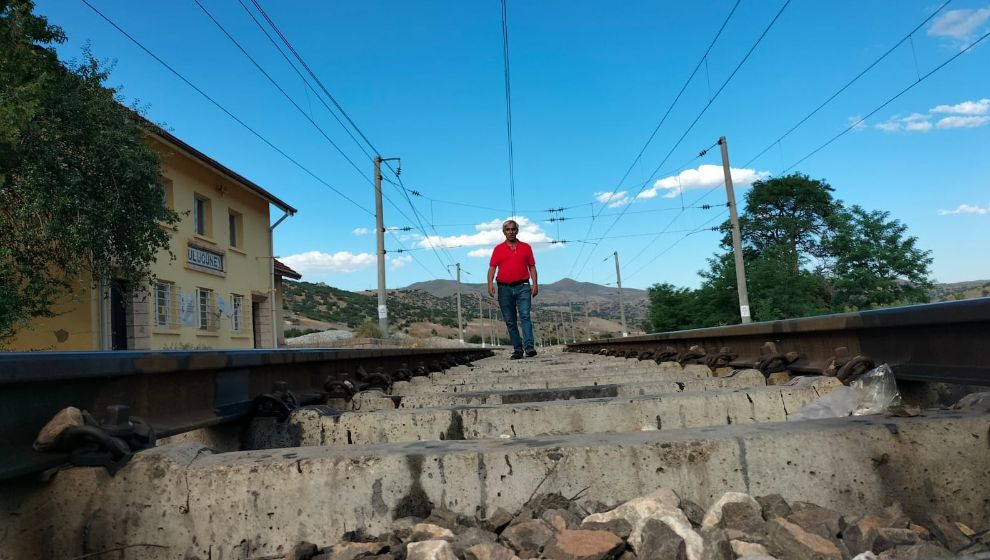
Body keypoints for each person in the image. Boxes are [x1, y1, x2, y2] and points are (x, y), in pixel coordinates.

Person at [487, 219, 538, 359]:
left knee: (525, 316)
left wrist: (535, 284)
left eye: (513, 229)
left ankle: (529, 347)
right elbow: (492, 268)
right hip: (504, 289)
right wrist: (490, 284)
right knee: (510, 320)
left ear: (517, 231)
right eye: (508, 229)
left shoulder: (526, 247)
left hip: (523, 286)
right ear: (504, 232)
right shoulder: (498, 249)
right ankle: (517, 350)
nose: (511, 232)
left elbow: (532, 266)